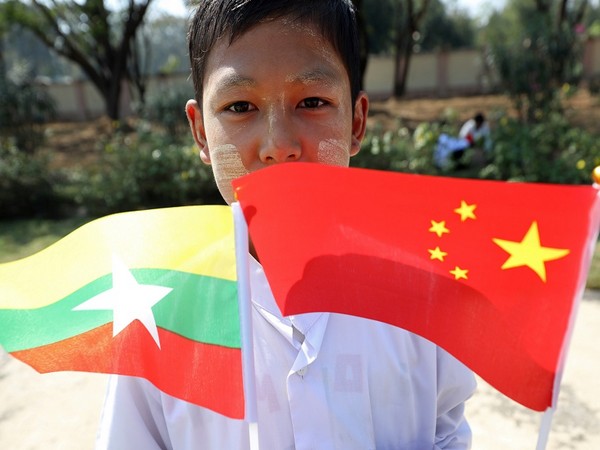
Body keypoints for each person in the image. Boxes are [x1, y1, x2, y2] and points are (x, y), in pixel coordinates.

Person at [95, 1, 476, 448]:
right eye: (240, 106)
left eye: (312, 102)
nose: (278, 145)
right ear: (201, 133)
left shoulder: (421, 285)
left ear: (356, 121)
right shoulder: (157, 312)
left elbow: (446, 430)